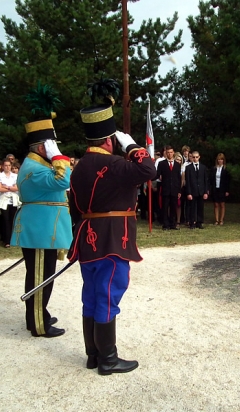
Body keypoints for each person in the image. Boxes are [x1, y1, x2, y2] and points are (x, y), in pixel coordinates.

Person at [68, 91, 156, 375]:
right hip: (112, 239)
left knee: (91, 294)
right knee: (108, 293)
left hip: (87, 237)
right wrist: (132, 147)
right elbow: (148, 169)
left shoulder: (78, 168)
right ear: (109, 140)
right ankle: (108, 359)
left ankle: (93, 355)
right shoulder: (115, 163)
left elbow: (75, 206)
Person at [10, 85, 72, 339]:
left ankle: (38, 314)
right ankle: (38, 324)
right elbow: (63, 180)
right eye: (51, 146)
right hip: (39, 231)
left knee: (43, 276)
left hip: (44, 230)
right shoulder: (34, 168)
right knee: (39, 278)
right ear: (40, 147)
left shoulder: (37, 165)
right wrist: (59, 157)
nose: (55, 149)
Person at [156, 145, 182, 230]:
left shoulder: (177, 165)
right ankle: (165, 224)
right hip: (165, 189)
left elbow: (178, 178)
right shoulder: (162, 164)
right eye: (168, 152)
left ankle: (172, 224)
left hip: (174, 189)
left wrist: (179, 191)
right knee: (165, 207)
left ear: (173, 153)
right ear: (166, 153)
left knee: (173, 207)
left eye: (171, 152)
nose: (169, 154)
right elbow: (157, 175)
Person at [0, 158, 20, 248]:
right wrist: (11, 188)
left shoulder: (15, 176)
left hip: (13, 199)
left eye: (9, 165)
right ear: (2, 166)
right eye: (6, 165)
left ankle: (13, 239)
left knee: (13, 220)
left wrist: (7, 187)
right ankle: (6, 240)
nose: (7, 167)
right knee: (5, 220)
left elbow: (17, 188)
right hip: (4, 200)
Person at [184, 151, 209, 229]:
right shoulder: (188, 168)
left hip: (201, 191)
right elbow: (188, 181)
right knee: (192, 208)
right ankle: (192, 222)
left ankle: (199, 222)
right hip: (192, 191)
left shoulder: (203, 167)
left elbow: (205, 180)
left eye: (196, 157)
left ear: (199, 157)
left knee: (200, 207)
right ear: (191, 157)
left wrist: (205, 192)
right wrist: (189, 193)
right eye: (193, 157)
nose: (195, 159)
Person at [210, 153, 231, 225]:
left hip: (223, 189)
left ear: (223, 160)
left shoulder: (225, 169)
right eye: (219, 159)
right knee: (216, 204)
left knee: (222, 204)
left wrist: (227, 190)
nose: (220, 161)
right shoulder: (214, 169)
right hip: (215, 188)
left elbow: (227, 181)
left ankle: (221, 220)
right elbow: (211, 179)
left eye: (221, 159)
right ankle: (216, 220)